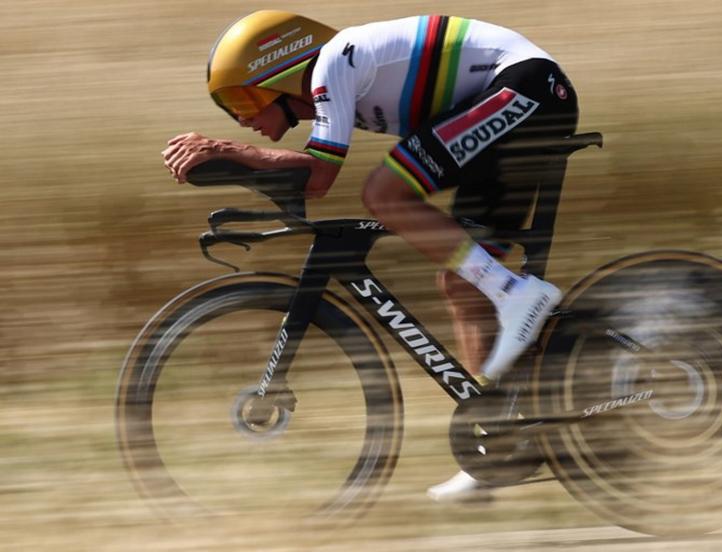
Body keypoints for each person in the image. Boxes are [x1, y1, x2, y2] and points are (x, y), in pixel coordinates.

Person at [163, 11, 578, 501]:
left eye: (243, 99)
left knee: (384, 192)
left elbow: (319, 177)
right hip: (515, 102)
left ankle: (516, 292)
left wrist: (231, 151)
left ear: (275, 73)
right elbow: (308, 182)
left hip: (528, 86)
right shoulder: (335, 85)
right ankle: (501, 442)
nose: (245, 119)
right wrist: (234, 163)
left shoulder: (333, 64)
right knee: (463, 283)